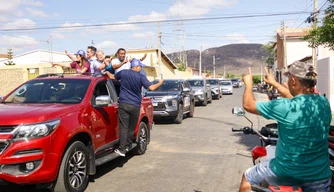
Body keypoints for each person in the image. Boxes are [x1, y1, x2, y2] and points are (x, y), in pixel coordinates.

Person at [239, 61, 332, 192]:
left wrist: (248, 84)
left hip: (286, 171)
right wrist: (274, 84)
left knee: (248, 177)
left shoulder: (284, 107)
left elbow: (248, 105)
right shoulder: (323, 103)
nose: (287, 82)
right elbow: (297, 99)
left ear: (293, 81)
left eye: (288, 78)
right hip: (319, 175)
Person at [113, 59, 164, 157]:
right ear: (136, 67)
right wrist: (160, 82)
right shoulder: (141, 77)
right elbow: (152, 88)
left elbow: (112, 77)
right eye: (140, 66)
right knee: (131, 128)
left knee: (124, 127)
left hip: (124, 104)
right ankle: (128, 145)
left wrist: (106, 72)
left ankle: (122, 149)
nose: (141, 68)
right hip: (135, 105)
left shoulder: (123, 73)